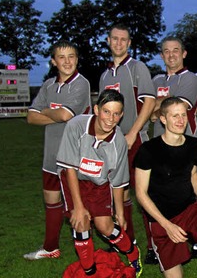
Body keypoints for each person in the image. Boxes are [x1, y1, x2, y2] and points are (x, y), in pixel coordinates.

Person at [134, 97, 197, 278]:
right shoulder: (148, 150)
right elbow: (140, 193)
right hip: (161, 220)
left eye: (183, 115)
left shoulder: (193, 144)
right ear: (163, 119)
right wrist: (167, 225)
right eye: (174, 116)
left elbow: (193, 173)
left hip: (188, 210)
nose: (181, 120)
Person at [56, 89, 142, 277]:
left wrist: (119, 212)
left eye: (116, 113)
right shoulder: (76, 126)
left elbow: (118, 181)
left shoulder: (119, 141)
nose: (111, 119)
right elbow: (69, 167)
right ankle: (89, 271)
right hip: (74, 180)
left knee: (105, 227)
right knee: (81, 222)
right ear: (96, 109)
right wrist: (78, 207)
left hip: (100, 185)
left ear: (121, 115)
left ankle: (133, 253)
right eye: (106, 111)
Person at [24, 41, 91, 260]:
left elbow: (65, 115)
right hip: (50, 156)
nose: (67, 61)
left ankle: (87, 256)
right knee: (52, 202)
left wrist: (46, 110)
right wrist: (54, 112)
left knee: (78, 207)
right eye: (61, 57)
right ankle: (50, 247)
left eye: (71, 56)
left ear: (77, 59)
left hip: (74, 158)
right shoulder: (48, 85)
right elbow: (30, 117)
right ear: (53, 61)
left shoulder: (82, 84)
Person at [99, 23, 157, 263]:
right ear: (109, 41)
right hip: (111, 144)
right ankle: (127, 242)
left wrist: (133, 132)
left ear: (129, 43)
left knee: (145, 195)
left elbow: (150, 101)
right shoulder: (104, 75)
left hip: (135, 141)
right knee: (118, 196)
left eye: (124, 39)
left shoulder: (137, 68)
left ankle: (155, 246)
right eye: (115, 39)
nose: (119, 43)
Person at [152, 37, 197, 138]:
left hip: (184, 140)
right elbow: (147, 110)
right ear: (162, 56)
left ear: (184, 54)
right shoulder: (156, 80)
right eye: (166, 51)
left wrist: (155, 111)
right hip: (158, 139)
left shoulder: (189, 77)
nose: (171, 55)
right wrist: (169, 99)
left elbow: (178, 108)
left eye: (175, 50)